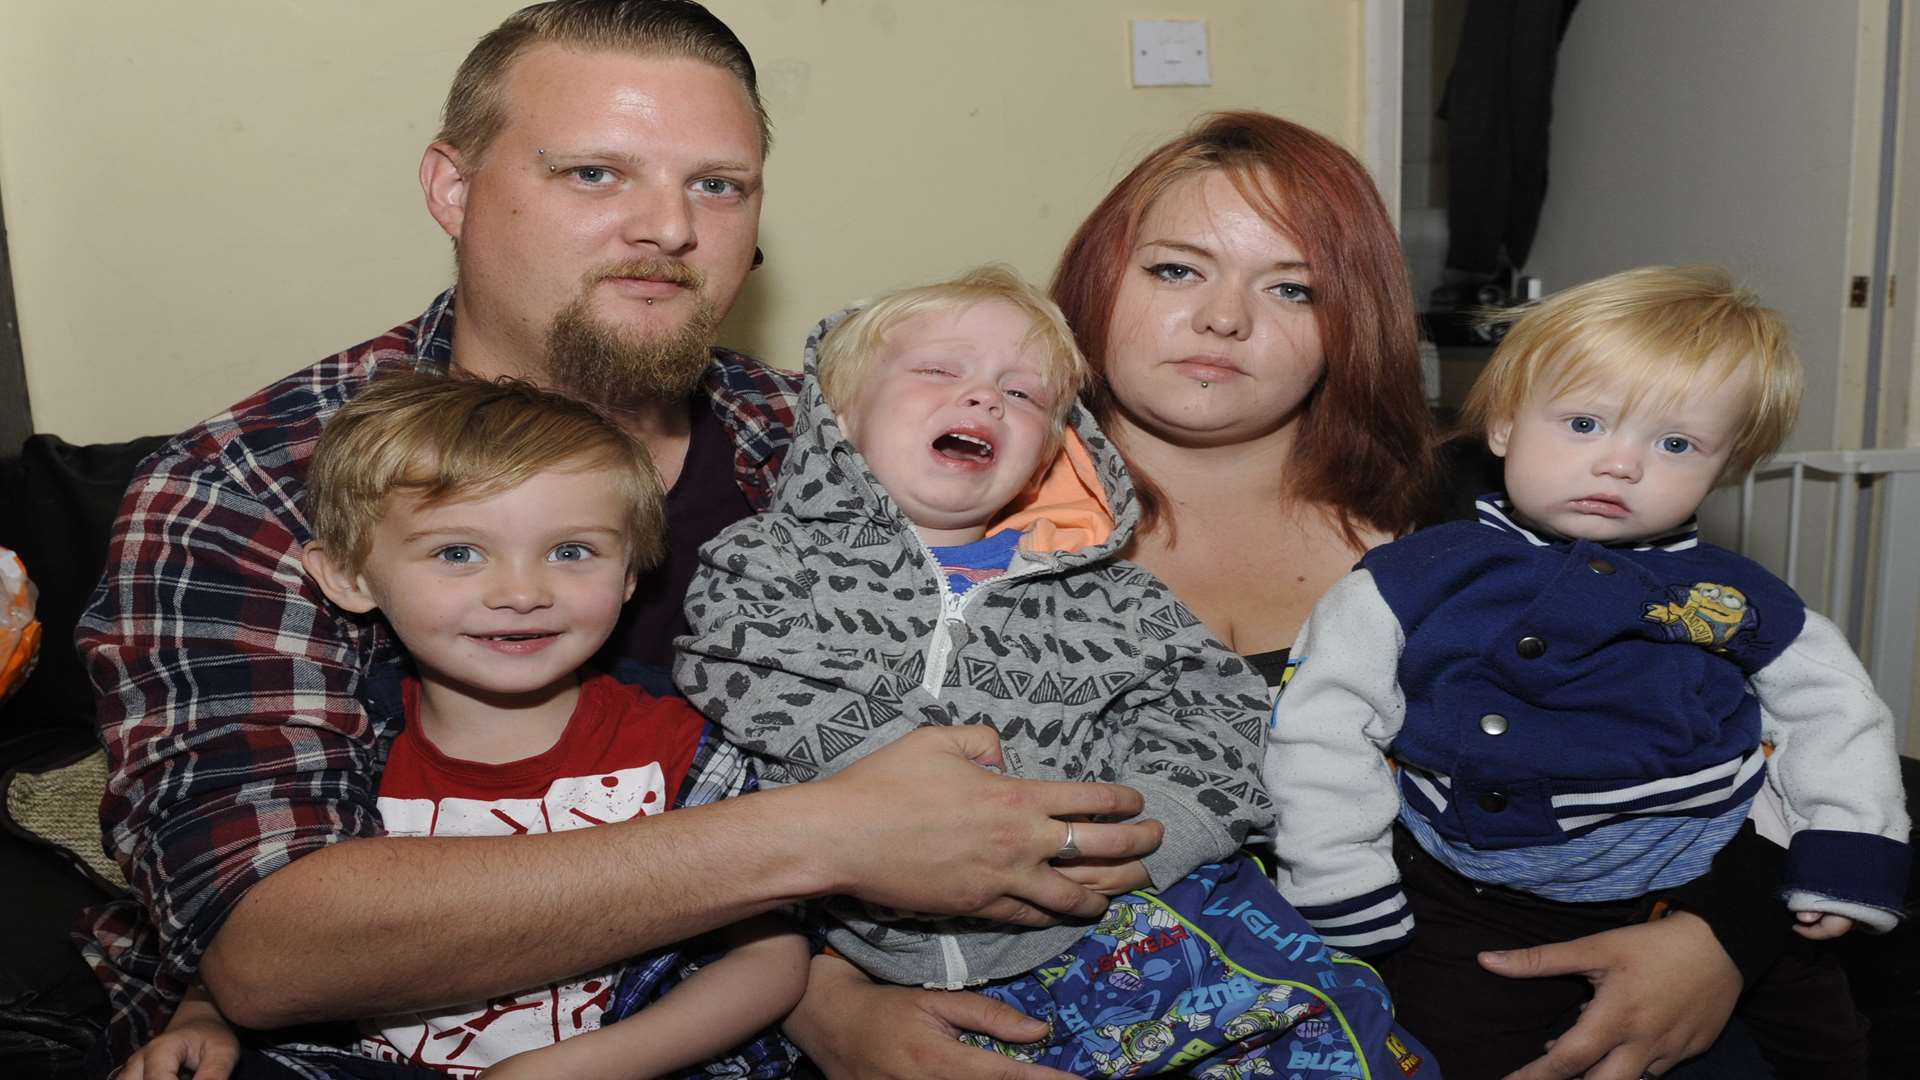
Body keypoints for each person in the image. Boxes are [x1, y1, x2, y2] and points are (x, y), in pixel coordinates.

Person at [78, 3, 1158, 1074]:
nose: (670, 229)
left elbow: (1001, 726)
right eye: (594, 174)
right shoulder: (262, 482)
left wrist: (818, 998)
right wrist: (823, 837)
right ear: (451, 188)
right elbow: (269, 948)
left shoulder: (830, 446)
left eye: (717, 185)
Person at [783, 113, 1805, 1080]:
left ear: (1347, 323)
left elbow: (1768, 734)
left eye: (1292, 290)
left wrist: (1722, 941)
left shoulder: (1486, 516)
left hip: (1514, 1003)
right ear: (1099, 283)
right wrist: (819, 1001)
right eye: (1177, 269)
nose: (1222, 318)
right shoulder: (944, 509)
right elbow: (766, 767)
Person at [676, 265, 1438, 1077]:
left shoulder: (1113, 597)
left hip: (1109, 921)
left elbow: (1220, 718)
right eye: (939, 371)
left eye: (1024, 395)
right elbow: (732, 665)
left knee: (1331, 1037)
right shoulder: (768, 563)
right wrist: (918, 798)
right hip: (851, 941)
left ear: (1050, 454)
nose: (982, 401)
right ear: (838, 415)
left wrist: (1155, 834)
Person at [1266, 264, 1912, 1075]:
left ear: (1726, 467)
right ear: (1502, 427)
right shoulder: (1413, 577)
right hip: (1479, 897)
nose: (1620, 464)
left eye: (1675, 444)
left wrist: (1847, 847)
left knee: (1830, 1050)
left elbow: (1839, 712)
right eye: (1583, 423)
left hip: (1711, 875)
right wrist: (1338, 878)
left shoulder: (1735, 595)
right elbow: (1322, 724)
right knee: (1434, 1051)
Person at [123, 373, 809, 1079]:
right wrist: (203, 1012)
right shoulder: (341, 751)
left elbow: (771, 957)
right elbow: (242, 926)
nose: (521, 593)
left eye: (572, 551)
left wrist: (579, 1068)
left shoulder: (688, 744)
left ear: (632, 573)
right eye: (458, 553)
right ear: (350, 577)